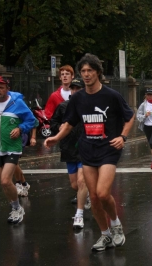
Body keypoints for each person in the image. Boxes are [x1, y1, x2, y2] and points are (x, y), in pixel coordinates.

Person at [44, 53, 134, 252]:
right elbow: (69, 124)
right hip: (87, 150)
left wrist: (123, 137)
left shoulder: (112, 96)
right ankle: (105, 235)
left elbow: (129, 116)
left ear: (98, 73)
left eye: (89, 71)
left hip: (109, 149)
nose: (86, 75)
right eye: (83, 71)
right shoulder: (78, 98)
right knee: (93, 197)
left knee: (103, 193)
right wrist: (56, 138)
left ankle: (116, 224)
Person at [0, 76, 36, 224]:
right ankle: (15, 207)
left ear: (7, 89)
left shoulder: (17, 104)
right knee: (5, 184)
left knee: (4, 181)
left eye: (1, 87)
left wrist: (20, 128)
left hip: (12, 148)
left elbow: (32, 120)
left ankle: (17, 209)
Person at [50, 78, 91, 229]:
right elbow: (52, 123)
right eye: (73, 88)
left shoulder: (89, 106)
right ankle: (86, 195)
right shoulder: (63, 107)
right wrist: (58, 127)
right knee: (75, 184)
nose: (75, 90)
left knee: (81, 181)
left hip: (84, 148)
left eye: (78, 88)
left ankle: (78, 215)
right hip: (68, 149)